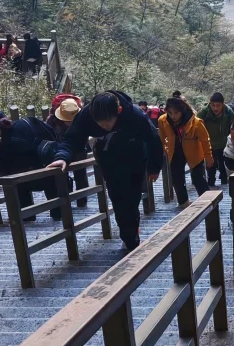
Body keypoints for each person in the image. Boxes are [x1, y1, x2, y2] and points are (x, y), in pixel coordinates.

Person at [50, 91, 162, 254]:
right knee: (117, 198)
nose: (105, 127)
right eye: (100, 124)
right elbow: (72, 138)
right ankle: (128, 237)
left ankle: (131, 240)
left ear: (119, 111)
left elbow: (153, 140)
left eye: (108, 123)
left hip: (135, 157)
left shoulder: (135, 115)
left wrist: (154, 167)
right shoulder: (86, 115)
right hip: (108, 158)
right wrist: (62, 158)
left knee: (131, 199)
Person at [0, 107, 59, 213]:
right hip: (52, 166)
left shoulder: (8, 139)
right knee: (47, 175)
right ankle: (58, 212)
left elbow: (6, 164)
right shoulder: (29, 120)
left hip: (33, 178)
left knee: (15, 179)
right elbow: (51, 131)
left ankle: (27, 214)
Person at [158, 96, 214, 207]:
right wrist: (164, 149)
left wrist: (208, 157)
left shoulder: (196, 122)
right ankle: (183, 202)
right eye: (170, 113)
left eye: (176, 113)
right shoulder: (163, 120)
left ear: (182, 111)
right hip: (175, 151)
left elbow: (205, 140)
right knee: (177, 179)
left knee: (198, 178)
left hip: (194, 151)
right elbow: (161, 137)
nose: (173, 116)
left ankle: (209, 201)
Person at [46, 95, 88, 207]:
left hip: (78, 150)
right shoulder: (52, 120)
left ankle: (82, 200)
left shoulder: (82, 118)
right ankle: (65, 200)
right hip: (59, 151)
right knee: (61, 175)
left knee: (80, 175)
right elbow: (48, 135)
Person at [197, 92, 234, 188]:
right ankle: (211, 181)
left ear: (223, 104)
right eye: (213, 105)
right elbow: (195, 124)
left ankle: (224, 180)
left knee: (223, 163)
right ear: (210, 104)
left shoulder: (228, 111)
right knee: (211, 164)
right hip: (209, 144)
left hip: (224, 143)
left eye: (218, 105)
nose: (215, 108)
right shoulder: (204, 112)